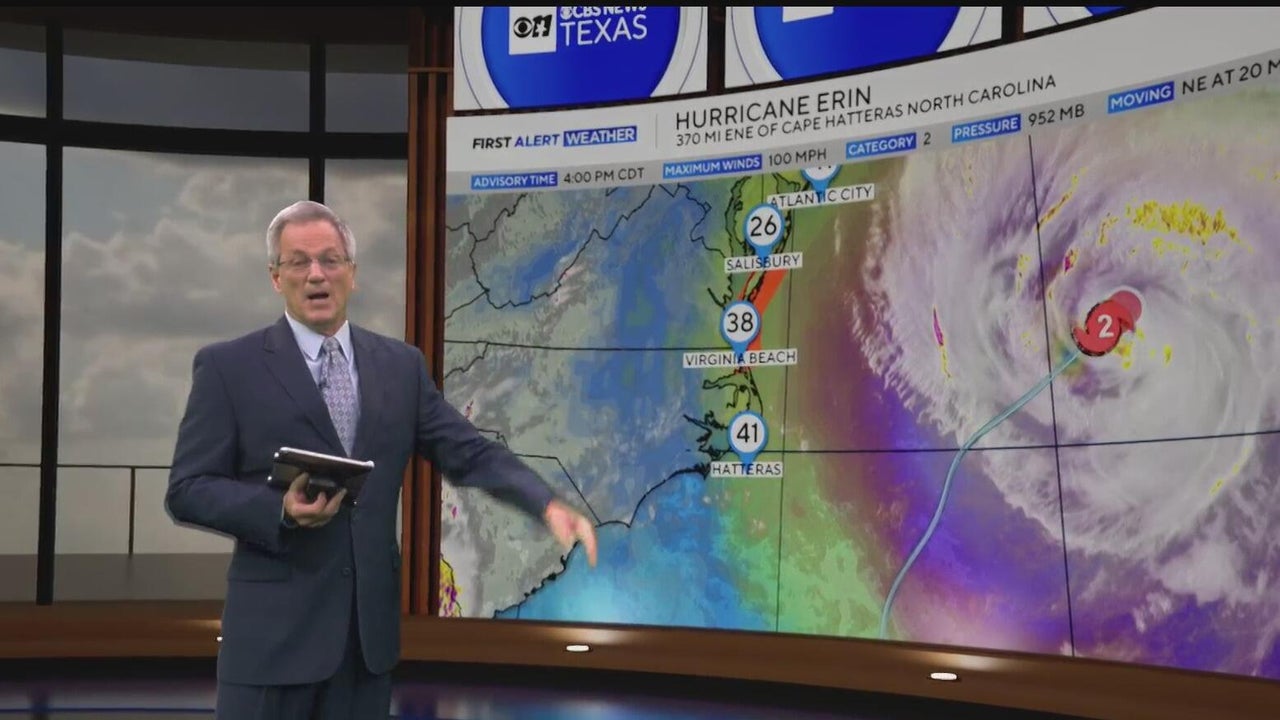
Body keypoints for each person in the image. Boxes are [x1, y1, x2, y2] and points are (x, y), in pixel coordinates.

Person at [165, 200, 598, 720]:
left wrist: (544, 503)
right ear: (276, 277)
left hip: (364, 649)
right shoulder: (228, 367)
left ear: (352, 273)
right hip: (270, 648)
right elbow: (187, 489)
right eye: (299, 262)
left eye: (330, 260)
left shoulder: (400, 367)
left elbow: (468, 451)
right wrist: (278, 509)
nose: (316, 274)